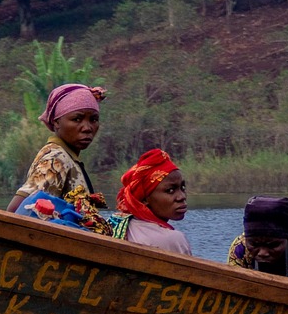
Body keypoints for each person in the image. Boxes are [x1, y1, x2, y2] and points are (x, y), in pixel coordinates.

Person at [11, 82, 110, 233]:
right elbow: (18, 210)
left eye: (93, 119)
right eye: (77, 119)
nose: (87, 127)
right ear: (57, 122)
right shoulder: (56, 160)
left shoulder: (69, 158)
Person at [103, 148, 193, 256]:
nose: (181, 197)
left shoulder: (113, 223)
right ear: (145, 198)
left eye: (182, 187)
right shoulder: (172, 240)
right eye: (170, 190)